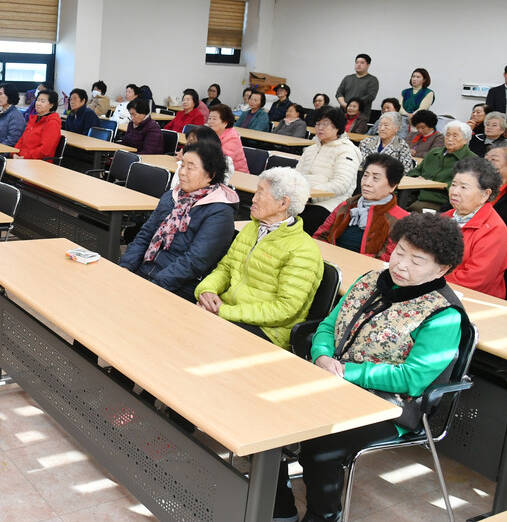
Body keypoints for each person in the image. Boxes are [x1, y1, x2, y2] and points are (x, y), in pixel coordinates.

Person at [274, 213, 466, 522]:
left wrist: (349, 372)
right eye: (400, 252)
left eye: (417, 261)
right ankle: (280, 500)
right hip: (334, 378)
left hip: (391, 405)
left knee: (322, 446)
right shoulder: (369, 281)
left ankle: (325, 512)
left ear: (442, 269)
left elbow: (413, 379)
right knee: (268, 414)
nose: (402, 265)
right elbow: (328, 325)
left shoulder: (443, 314)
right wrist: (322, 354)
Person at [194, 167, 323, 350]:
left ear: (283, 204)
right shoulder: (251, 229)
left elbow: (284, 309)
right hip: (230, 311)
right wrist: (207, 290)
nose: (253, 199)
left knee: (200, 339)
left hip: (268, 330)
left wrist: (224, 311)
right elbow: (226, 268)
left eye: (261, 193)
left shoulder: (303, 250)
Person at [119, 142, 238, 299]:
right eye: (182, 166)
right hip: (146, 271)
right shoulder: (172, 196)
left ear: (211, 174)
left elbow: (195, 261)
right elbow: (146, 235)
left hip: (180, 287)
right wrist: (125, 266)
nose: (182, 172)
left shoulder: (220, 211)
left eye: (190, 168)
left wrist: (154, 285)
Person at [314, 154, 408, 259]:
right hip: (331, 261)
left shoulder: (400, 219)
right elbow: (320, 236)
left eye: (375, 178)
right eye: (366, 176)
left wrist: (350, 260)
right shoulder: (347, 205)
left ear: (393, 186)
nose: (367, 183)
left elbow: (390, 257)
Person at [442, 156, 507, 298]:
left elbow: (475, 280)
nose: (454, 191)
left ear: (485, 194)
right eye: (453, 184)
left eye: (463, 187)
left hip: (473, 298)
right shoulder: (444, 217)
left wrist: (428, 277)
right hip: (437, 289)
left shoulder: (494, 230)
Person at [296, 106, 363, 232]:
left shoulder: (346, 150)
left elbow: (341, 184)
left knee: (300, 222)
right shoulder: (311, 149)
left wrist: (309, 196)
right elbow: (296, 175)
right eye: (318, 124)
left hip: (329, 204)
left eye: (325, 124)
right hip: (302, 199)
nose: (320, 128)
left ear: (337, 127)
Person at [403, 120, 475, 211]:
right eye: (448, 135)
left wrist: (436, 185)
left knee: (413, 211)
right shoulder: (434, 152)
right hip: (416, 192)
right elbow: (415, 171)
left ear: (465, 140)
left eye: (455, 136)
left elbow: (467, 186)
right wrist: (417, 177)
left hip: (440, 200)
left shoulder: (471, 160)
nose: (449, 139)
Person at [15, 89, 62, 160]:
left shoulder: (52, 123)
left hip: (37, 162)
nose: (38, 103)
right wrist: (15, 153)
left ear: (51, 105)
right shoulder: (33, 119)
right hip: (22, 159)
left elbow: (45, 151)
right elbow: (22, 140)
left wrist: (24, 157)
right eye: (38, 100)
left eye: (42, 101)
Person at [207, 104, 249, 173]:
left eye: (214, 119)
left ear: (225, 123)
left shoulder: (233, 138)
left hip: (235, 174)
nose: (210, 122)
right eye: (209, 118)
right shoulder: (211, 133)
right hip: (215, 171)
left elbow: (223, 160)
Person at [335, 53, 380, 117]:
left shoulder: (372, 80)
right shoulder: (347, 78)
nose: (358, 65)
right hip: (343, 114)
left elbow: (370, 96)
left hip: (361, 117)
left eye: (362, 63)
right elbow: (339, 93)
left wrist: (352, 106)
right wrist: (344, 104)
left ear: (368, 65)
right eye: (357, 62)